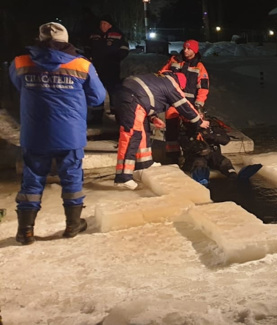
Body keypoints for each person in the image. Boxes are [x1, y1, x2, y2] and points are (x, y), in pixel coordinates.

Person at [9, 22, 106, 245]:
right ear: (66, 40)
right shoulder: (82, 65)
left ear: (39, 39)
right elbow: (98, 97)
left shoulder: (21, 61)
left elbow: (18, 85)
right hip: (69, 133)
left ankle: (25, 230)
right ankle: (73, 225)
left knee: (31, 180)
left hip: (35, 133)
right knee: (71, 178)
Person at [114, 72, 210, 189]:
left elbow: (147, 96)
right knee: (132, 136)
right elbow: (184, 105)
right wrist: (200, 122)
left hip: (131, 97)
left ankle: (144, 164)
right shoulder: (171, 84)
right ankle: (123, 178)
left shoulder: (159, 80)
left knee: (144, 132)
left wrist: (153, 118)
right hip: (132, 99)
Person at [158, 39, 210, 164]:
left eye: (189, 49)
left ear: (195, 50)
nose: (185, 51)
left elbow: (203, 88)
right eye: (185, 48)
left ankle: (190, 156)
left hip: (189, 104)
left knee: (191, 129)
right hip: (172, 102)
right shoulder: (174, 60)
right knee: (171, 130)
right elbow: (161, 74)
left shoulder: (199, 67)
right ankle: (173, 158)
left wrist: (198, 105)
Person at [178, 115, 262, 185]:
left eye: (201, 115)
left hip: (213, 153)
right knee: (199, 163)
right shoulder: (186, 129)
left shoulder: (212, 126)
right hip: (196, 156)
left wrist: (211, 136)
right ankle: (202, 179)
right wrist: (197, 144)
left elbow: (225, 140)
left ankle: (233, 175)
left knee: (224, 162)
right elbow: (184, 144)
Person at [87, 14, 129, 120]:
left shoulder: (117, 34)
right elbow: (87, 47)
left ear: (110, 25)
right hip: (97, 68)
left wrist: (118, 57)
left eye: (105, 23)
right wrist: (89, 57)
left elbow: (124, 48)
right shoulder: (94, 35)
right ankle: (96, 116)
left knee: (114, 91)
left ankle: (118, 116)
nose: (102, 25)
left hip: (112, 68)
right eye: (101, 23)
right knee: (97, 91)